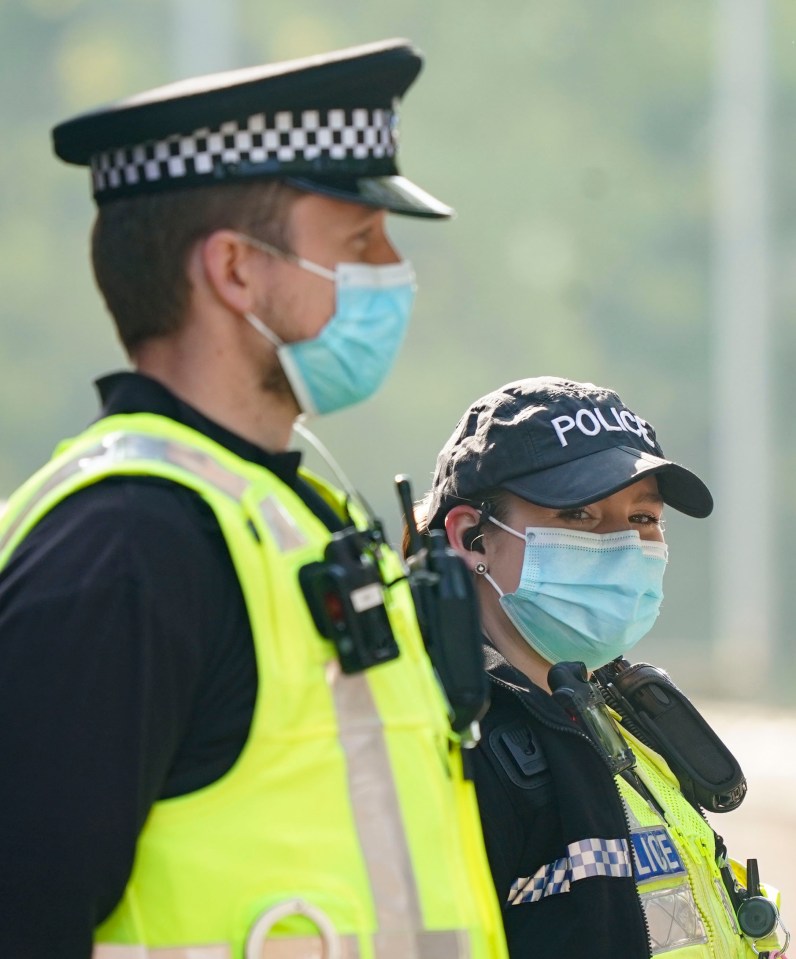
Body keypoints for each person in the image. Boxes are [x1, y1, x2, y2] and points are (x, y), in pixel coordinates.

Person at [0, 41, 508, 959]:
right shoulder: (127, 548)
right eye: (360, 241)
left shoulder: (290, 515)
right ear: (236, 270)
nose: (396, 270)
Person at [412, 376, 788, 959]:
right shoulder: (442, 740)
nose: (622, 544)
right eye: (580, 514)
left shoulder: (615, 712)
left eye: (643, 518)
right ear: (472, 538)